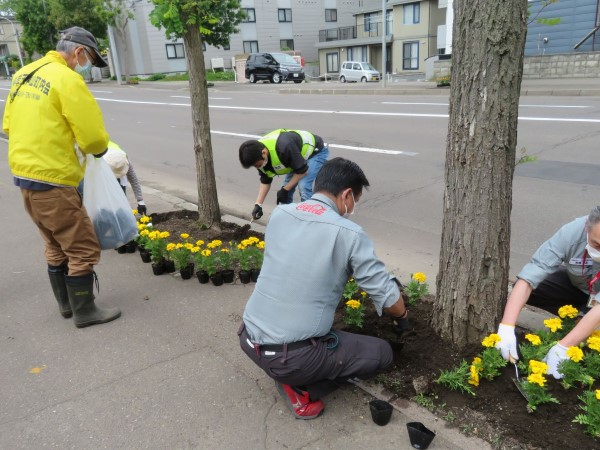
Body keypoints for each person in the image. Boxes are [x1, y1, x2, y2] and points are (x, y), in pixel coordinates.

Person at [238, 157, 409, 419]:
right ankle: (300, 390)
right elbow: (386, 295)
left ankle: (288, 371)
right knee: (382, 353)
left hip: (248, 338)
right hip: (289, 359)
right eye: (355, 201)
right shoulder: (348, 233)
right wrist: (402, 317)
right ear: (347, 195)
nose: (352, 207)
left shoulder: (281, 214)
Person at [3, 26, 121, 328]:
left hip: (25, 178)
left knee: (55, 243)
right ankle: (85, 312)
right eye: (88, 60)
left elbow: (6, 127)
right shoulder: (67, 79)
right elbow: (94, 140)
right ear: (79, 51)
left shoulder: (24, 74)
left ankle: (67, 306)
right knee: (81, 246)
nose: (85, 66)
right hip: (54, 179)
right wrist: (98, 151)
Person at [496, 206, 600, 378]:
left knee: (588, 332)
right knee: (531, 288)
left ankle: (582, 322)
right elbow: (534, 271)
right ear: (586, 228)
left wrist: (563, 347)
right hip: (581, 287)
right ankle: (579, 317)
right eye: (596, 244)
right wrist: (507, 327)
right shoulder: (571, 233)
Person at [238, 128, 329, 221]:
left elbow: (302, 171)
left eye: (258, 165)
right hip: (295, 158)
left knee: (303, 186)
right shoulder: (258, 154)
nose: (258, 167)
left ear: (264, 153)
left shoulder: (284, 147)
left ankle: (310, 220)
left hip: (315, 152)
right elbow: (265, 181)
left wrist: (285, 189)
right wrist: (258, 205)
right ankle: (285, 220)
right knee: (284, 193)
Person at [103, 140, 147, 215]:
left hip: (116, 177)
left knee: (121, 207)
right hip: (100, 178)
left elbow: (133, 179)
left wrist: (140, 201)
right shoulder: (96, 160)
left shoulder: (123, 159)